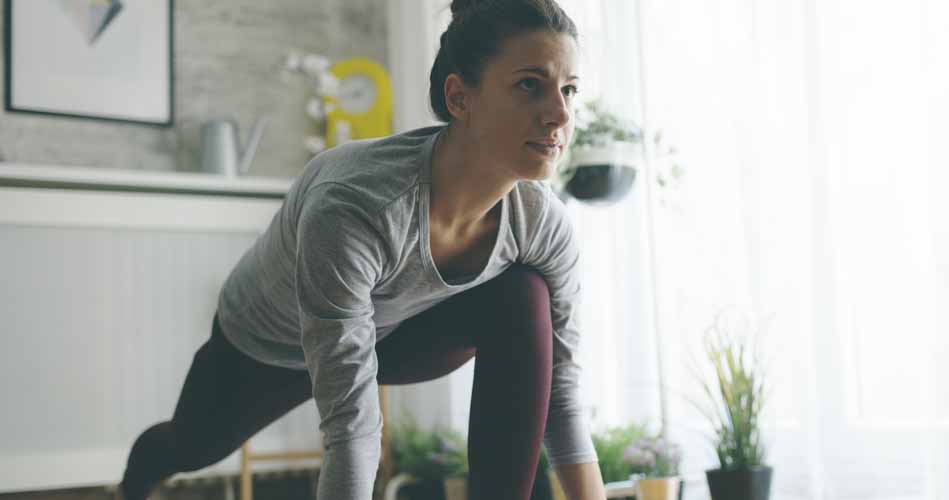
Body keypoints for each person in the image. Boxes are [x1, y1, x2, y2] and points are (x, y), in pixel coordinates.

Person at [118, 1, 607, 498]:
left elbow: (560, 390)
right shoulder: (355, 206)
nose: (560, 114)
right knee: (190, 446)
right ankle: (134, 483)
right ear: (459, 97)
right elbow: (351, 426)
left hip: (398, 333)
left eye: (569, 89)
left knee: (523, 295)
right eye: (530, 85)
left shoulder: (542, 223)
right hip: (271, 345)